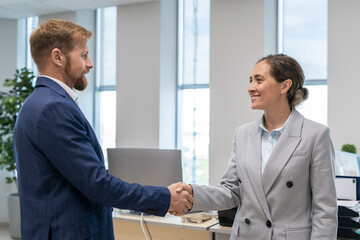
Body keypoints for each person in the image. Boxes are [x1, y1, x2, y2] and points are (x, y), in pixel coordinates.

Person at [13, 19, 193, 240]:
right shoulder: (53, 107)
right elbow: (97, 185)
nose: (90, 64)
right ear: (58, 57)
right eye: (83, 55)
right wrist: (165, 198)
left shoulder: (36, 103)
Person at [176, 54, 338, 239]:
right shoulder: (242, 134)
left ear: (285, 86)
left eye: (258, 80)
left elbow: (325, 210)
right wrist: (192, 192)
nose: (250, 88)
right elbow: (230, 191)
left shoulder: (315, 135)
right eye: (251, 81)